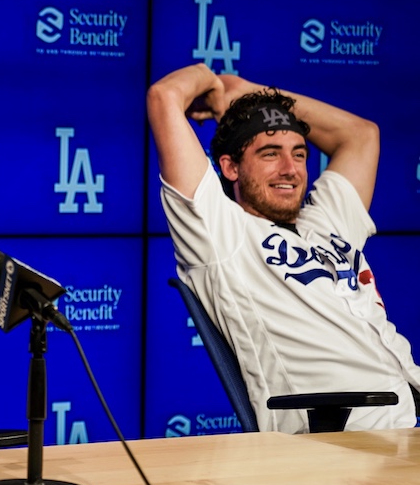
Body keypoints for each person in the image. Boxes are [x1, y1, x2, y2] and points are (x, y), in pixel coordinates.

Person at [147, 63, 420, 433]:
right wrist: (210, 80)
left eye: (300, 154)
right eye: (270, 154)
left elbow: (361, 135)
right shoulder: (220, 233)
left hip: (407, 419)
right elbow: (164, 97)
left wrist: (245, 91)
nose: (290, 169)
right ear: (229, 168)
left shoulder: (327, 220)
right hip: (351, 445)